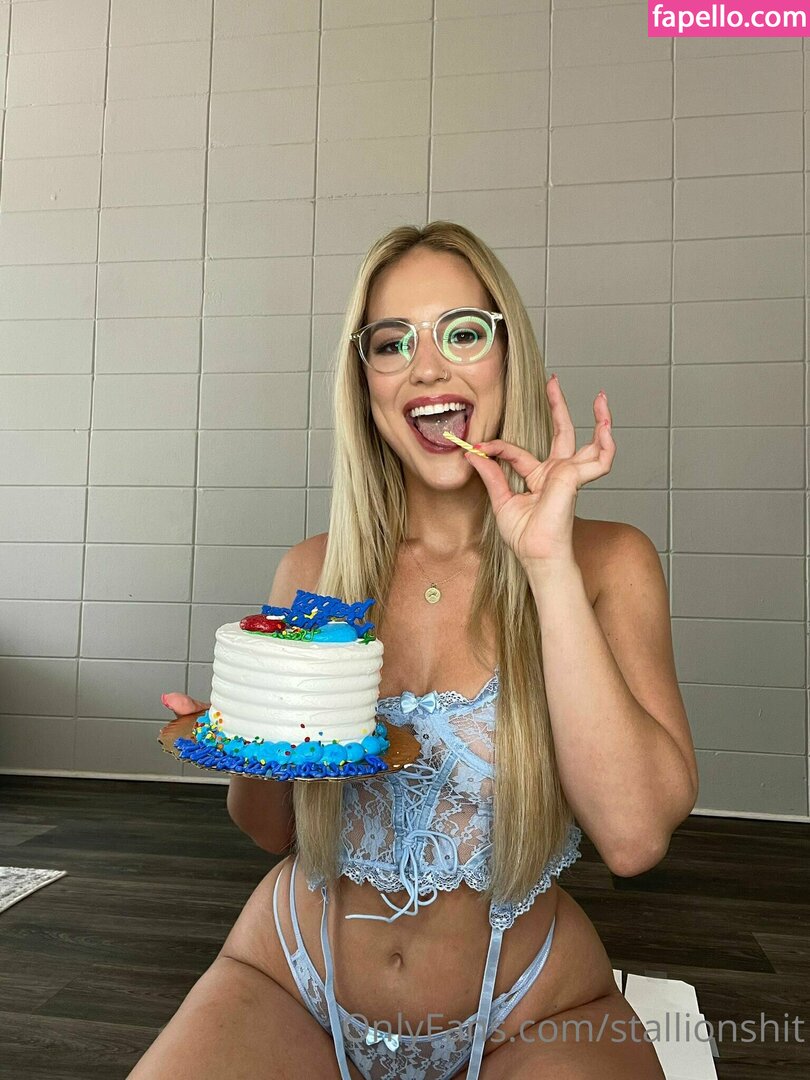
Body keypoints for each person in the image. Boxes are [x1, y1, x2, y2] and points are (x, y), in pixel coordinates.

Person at [133, 221, 698, 1080]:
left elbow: (634, 839)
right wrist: (248, 735)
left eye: (461, 333)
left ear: (507, 355)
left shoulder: (607, 563)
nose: (427, 367)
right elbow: (268, 829)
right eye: (392, 343)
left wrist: (546, 565)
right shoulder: (314, 571)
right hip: (290, 977)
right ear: (366, 382)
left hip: (530, 1009)